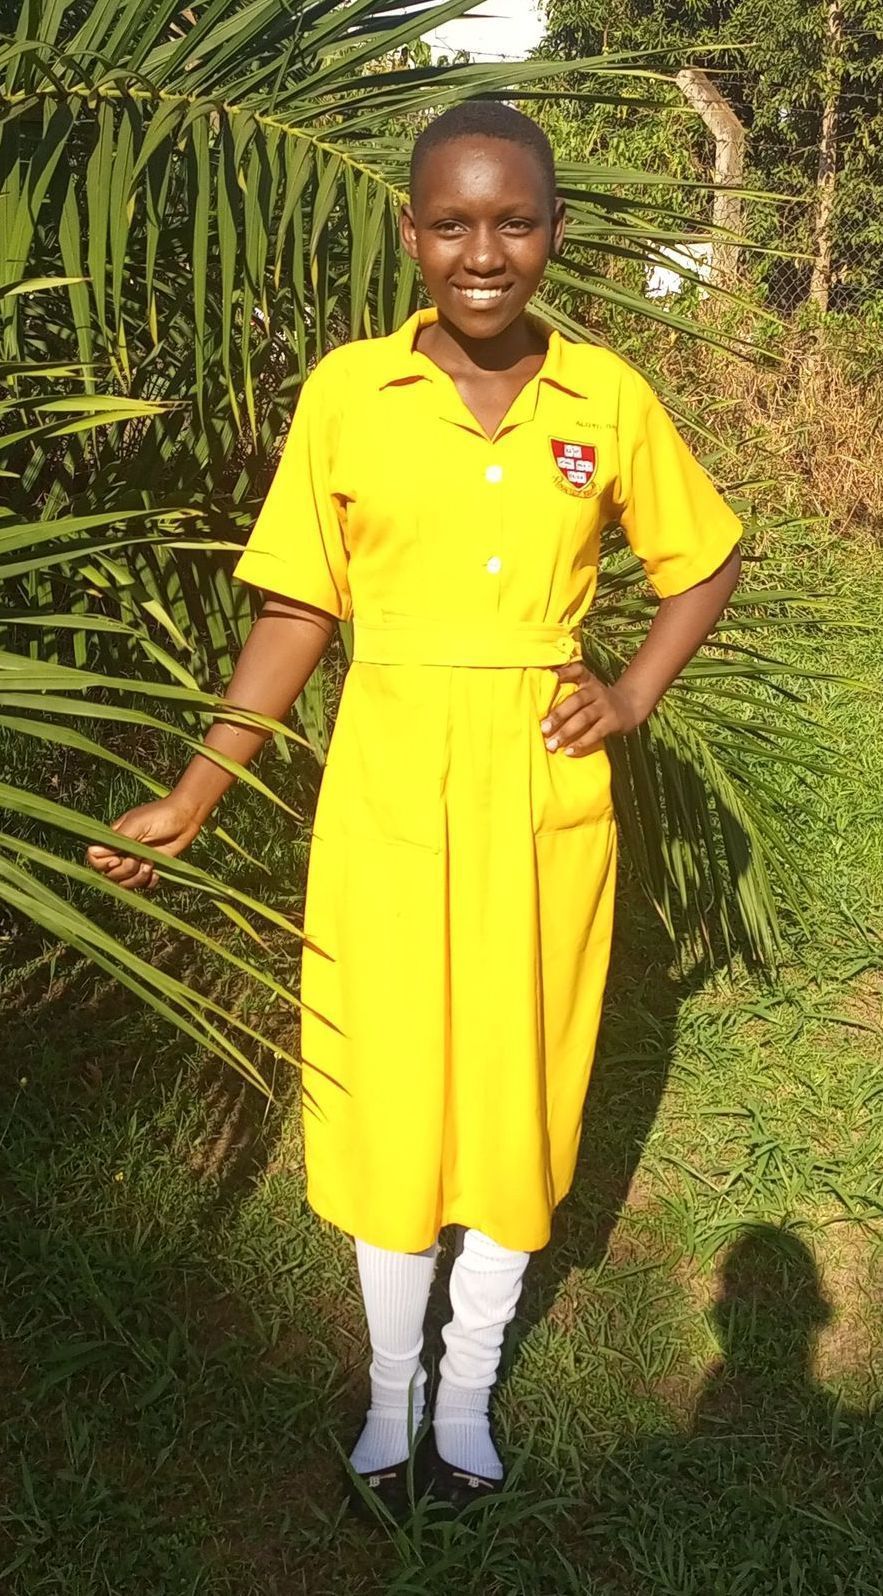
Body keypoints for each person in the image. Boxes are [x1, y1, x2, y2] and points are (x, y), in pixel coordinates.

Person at [86, 101, 741, 1514]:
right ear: (411, 234)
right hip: (385, 791)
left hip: (541, 793)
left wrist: (627, 696)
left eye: (515, 221)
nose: (484, 251)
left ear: (555, 234)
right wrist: (197, 792)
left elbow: (703, 562)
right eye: (453, 222)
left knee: (513, 1083)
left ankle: (465, 1394)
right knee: (388, 1088)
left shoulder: (607, 398)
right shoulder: (347, 393)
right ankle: (388, 1401)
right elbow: (296, 609)